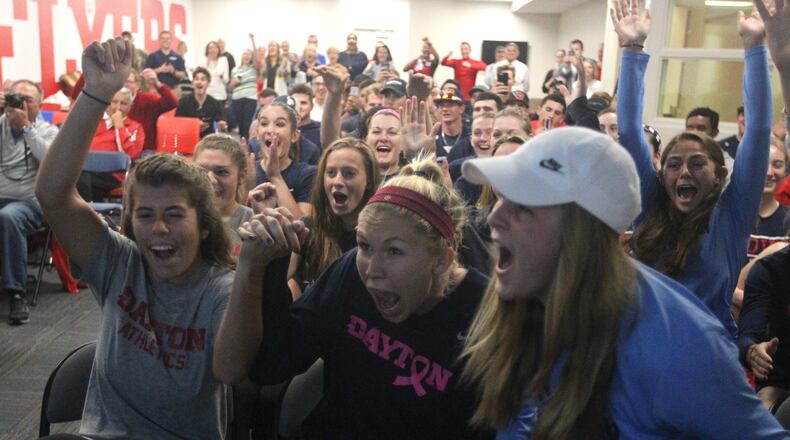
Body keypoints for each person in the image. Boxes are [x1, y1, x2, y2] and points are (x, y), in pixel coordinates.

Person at [460, 120, 789, 439]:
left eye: (523, 206)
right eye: (502, 197)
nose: (494, 217)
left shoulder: (675, 343)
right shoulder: (524, 309)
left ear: (580, 229)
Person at [36, 37, 233, 438]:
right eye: (145, 215)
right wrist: (95, 94)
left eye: (174, 215)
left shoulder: (221, 290)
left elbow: (234, 368)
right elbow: (53, 195)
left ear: (205, 225)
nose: (158, 228)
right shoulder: (120, 262)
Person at [214, 157, 492, 439]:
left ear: (443, 260)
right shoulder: (351, 272)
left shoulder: (482, 314)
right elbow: (274, 363)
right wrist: (271, 264)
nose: (372, 270)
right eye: (365, 245)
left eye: (394, 251)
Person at [619, 0, 779, 340]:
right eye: (674, 164)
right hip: (647, 351)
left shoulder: (732, 214)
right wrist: (631, 48)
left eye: (697, 164)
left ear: (720, 175)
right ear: (662, 174)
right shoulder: (650, 207)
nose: (684, 173)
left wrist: (754, 47)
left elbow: (759, 130)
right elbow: (630, 132)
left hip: (712, 358)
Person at [287, 138, 380, 296]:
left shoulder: (379, 239)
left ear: (368, 180)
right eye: (331, 173)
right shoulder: (308, 230)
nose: (337, 181)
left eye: (349, 174)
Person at [0, 80, 58, 325]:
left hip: (29, 203)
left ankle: (16, 292)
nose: (21, 104)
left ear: (39, 105)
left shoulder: (49, 131)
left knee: (8, 217)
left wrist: (26, 128)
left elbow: (51, 161)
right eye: (16, 98)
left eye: (28, 100)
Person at [78, 87, 144, 202]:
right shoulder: (93, 121)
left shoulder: (135, 127)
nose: (117, 107)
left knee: (79, 177)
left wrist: (119, 126)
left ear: (130, 107)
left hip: (113, 175)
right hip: (84, 170)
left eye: (123, 103)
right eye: (114, 102)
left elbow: (130, 155)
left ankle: (86, 214)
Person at [252, 101, 316, 218]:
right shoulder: (248, 172)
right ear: (257, 132)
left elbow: (303, 227)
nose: (270, 130)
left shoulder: (307, 174)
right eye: (264, 123)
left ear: (294, 136)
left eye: (279, 124)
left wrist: (276, 177)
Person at [193, 133, 253, 258]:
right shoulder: (182, 219)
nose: (211, 179)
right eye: (201, 171)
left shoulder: (253, 222)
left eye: (221, 172)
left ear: (241, 176)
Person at [175, 67, 226, 138]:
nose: (199, 82)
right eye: (196, 79)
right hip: (187, 138)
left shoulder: (215, 103)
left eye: (203, 79)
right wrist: (195, 125)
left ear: (208, 83)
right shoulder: (184, 102)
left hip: (208, 140)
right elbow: (178, 123)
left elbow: (221, 122)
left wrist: (221, 125)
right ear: (192, 82)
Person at [753, 138, 790, 236]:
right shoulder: (732, 214)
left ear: (786, 172)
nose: (769, 173)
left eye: (777, 165)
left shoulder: (787, 220)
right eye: (762, 163)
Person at [229, 33, 260, 140]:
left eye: (248, 54)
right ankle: (242, 145)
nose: (246, 56)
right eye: (244, 54)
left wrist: (253, 40)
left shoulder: (253, 68)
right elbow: (230, 86)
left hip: (250, 99)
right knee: (239, 125)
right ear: (241, 56)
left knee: (247, 125)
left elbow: (257, 56)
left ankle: (247, 148)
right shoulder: (235, 69)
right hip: (236, 98)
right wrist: (233, 83)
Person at [199, 41, 230, 106]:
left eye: (215, 48)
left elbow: (226, 80)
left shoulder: (223, 60)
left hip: (219, 95)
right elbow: (200, 78)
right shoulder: (203, 61)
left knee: (219, 116)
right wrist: (207, 63)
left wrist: (221, 76)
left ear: (218, 49)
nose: (213, 50)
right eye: (210, 48)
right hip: (206, 94)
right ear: (207, 50)